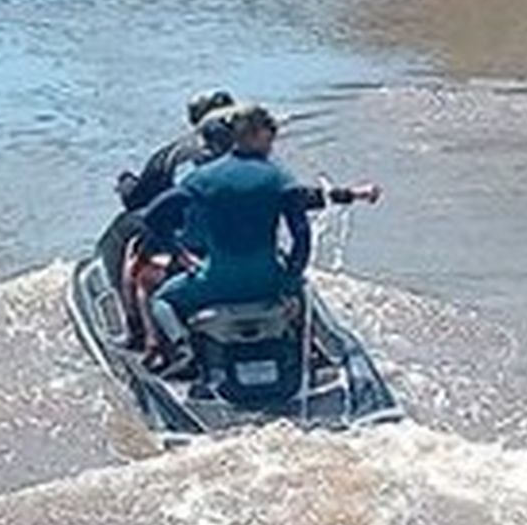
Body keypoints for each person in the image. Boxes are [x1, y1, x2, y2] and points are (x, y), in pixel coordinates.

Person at [142, 103, 377, 370]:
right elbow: (301, 235)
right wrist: (290, 278)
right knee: (303, 292)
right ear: (258, 136)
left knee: (161, 300)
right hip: (267, 280)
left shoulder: (202, 178)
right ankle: (310, 352)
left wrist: (181, 256)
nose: (272, 147)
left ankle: (184, 351)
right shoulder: (279, 178)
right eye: (270, 139)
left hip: (215, 280)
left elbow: (153, 216)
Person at [95, 90, 242, 288]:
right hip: (239, 240)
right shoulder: (255, 157)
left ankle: (125, 306)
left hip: (187, 241)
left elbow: (141, 199)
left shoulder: (175, 155)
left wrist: (126, 184)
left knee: (125, 225)